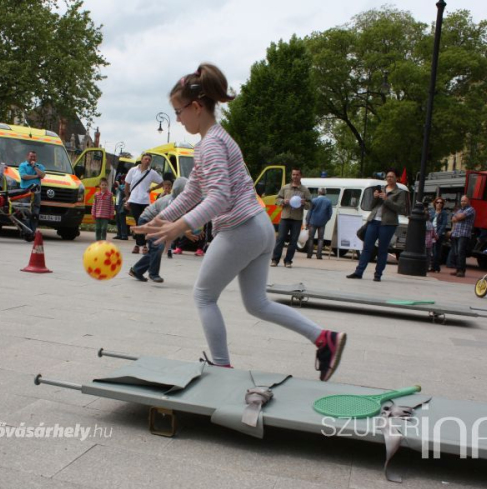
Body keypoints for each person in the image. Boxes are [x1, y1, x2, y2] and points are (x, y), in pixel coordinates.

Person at [135, 63, 346, 381]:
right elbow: (193, 191)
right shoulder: (212, 141)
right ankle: (323, 338)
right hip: (259, 227)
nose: (177, 119)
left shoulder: (213, 144)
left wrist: (178, 227)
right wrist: (160, 218)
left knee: (204, 296)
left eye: (178, 112)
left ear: (196, 107)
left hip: (240, 228)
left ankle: (221, 367)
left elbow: (218, 198)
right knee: (257, 303)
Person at [346, 169, 407, 282]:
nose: (389, 178)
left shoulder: (400, 192)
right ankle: (359, 272)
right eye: (388, 176)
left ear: (397, 178)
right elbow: (371, 206)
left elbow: (399, 208)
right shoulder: (382, 189)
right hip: (374, 221)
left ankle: (378, 274)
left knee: (382, 250)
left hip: (388, 223)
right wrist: (375, 197)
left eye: (392, 177)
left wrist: (386, 199)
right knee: (367, 248)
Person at [129, 178, 187, 283]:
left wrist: (185, 231)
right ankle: (153, 273)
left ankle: (137, 270)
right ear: (180, 191)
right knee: (158, 246)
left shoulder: (178, 201)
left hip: (155, 221)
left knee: (154, 250)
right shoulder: (168, 201)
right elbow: (162, 219)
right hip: (147, 220)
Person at [271, 168, 311, 268]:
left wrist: (304, 203)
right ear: (291, 176)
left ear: (301, 176)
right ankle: (275, 260)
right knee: (280, 239)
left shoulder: (304, 190)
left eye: (297, 175)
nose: (295, 177)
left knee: (293, 241)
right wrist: (283, 201)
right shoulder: (285, 188)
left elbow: (310, 205)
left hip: (297, 219)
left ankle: (288, 261)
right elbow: (277, 200)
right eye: (293, 174)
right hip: (285, 217)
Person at [125, 153, 164, 254]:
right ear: (141, 160)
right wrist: (127, 198)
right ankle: (141, 245)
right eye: (146, 159)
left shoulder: (152, 173)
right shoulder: (133, 171)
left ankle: (139, 245)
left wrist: (153, 188)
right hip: (134, 200)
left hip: (145, 200)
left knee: (143, 222)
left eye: (149, 160)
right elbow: (127, 184)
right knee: (139, 222)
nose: (147, 161)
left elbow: (162, 182)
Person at [18, 150, 46, 232]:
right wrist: (36, 176)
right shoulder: (22, 165)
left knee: (35, 211)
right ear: (27, 156)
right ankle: (25, 230)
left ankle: (33, 230)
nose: (32, 158)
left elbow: (43, 175)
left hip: (36, 191)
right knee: (25, 210)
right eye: (31, 156)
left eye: (34, 157)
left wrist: (35, 167)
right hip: (25, 191)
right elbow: (24, 177)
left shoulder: (39, 166)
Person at [449, 195, 475, 278]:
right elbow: (453, 219)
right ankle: (457, 269)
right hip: (456, 233)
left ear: (468, 201)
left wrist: (457, 216)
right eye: (461, 201)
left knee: (461, 252)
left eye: (464, 201)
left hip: (464, 234)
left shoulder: (471, 209)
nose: (462, 202)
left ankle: (461, 271)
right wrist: (457, 217)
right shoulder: (460, 210)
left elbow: (459, 217)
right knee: (456, 253)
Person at [306, 188, 333, 259]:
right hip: (322, 222)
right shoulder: (329, 201)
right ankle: (319, 255)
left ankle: (309, 254)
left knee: (311, 238)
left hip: (313, 221)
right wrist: (326, 220)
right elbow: (330, 213)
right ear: (325, 193)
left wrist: (307, 221)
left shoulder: (314, 200)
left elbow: (310, 212)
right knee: (320, 239)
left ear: (318, 192)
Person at [429, 197, 448, 273]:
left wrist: (438, 234)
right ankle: (434, 267)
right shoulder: (432, 211)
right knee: (431, 251)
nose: (439, 204)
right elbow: (429, 221)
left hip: (439, 234)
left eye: (441, 203)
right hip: (431, 233)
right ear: (435, 203)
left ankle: (435, 266)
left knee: (436, 251)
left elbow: (444, 224)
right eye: (437, 202)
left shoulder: (444, 213)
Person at [113, 165, 130, 240]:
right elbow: (115, 191)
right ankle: (119, 234)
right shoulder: (121, 186)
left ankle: (124, 235)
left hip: (122, 206)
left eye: (124, 179)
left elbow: (123, 190)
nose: (123, 181)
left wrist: (118, 185)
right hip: (117, 204)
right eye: (122, 179)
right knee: (118, 220)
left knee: (122, 221)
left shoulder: (126, 186)